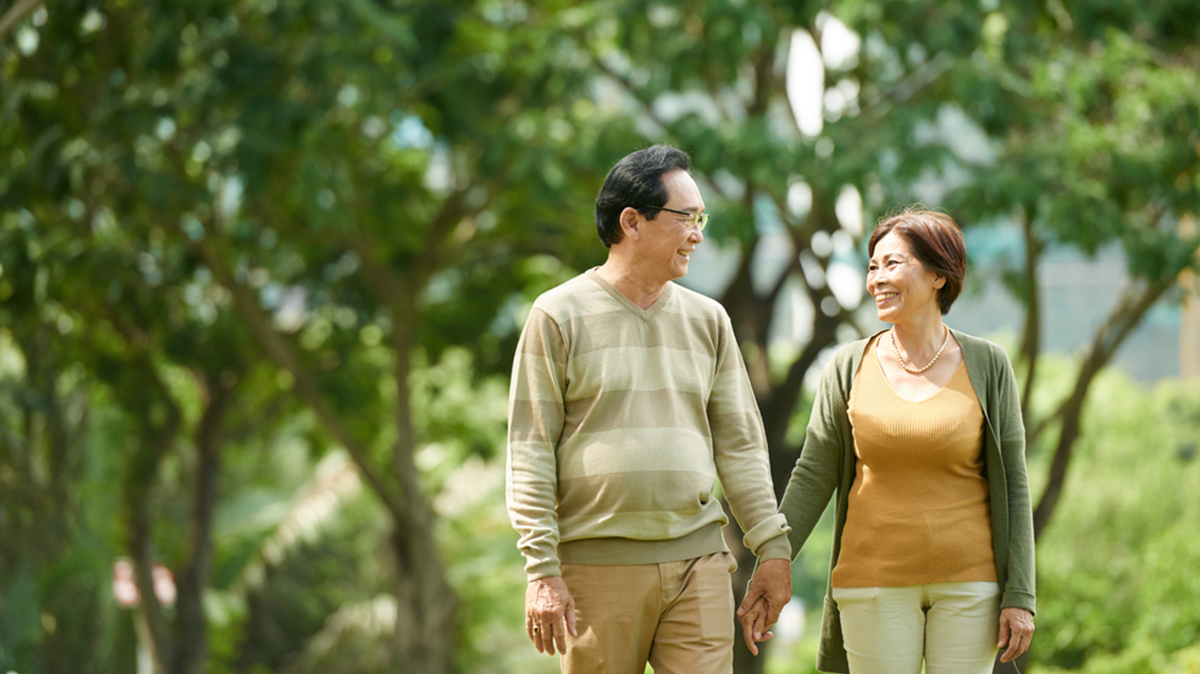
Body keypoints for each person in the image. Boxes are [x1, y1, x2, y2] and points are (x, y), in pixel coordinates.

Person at [506, 144, 793, 674]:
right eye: (687, 218)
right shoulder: (557, 314)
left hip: (700, 561)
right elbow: (530, 450)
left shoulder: (710, 319)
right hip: (595, 568)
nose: (698, 234)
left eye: (701, 218)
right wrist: (543, 571)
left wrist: (772, 546)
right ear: (632, 221)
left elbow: (741, 445)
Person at [738, 207, 1036, 673]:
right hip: (872, 583)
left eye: (892, 264)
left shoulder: (988, 364)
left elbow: (1014, 484)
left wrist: (1020, 594)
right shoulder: (848, 364)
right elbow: (813, 472)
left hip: (970, 585)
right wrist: (775, 557)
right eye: (872, 267)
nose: (877, 278)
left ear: (940, 275)